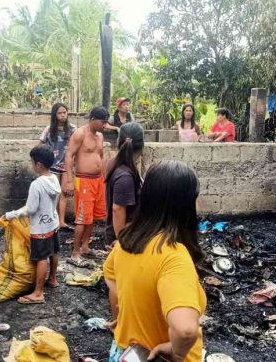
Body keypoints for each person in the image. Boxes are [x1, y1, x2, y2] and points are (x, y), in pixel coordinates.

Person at [103, 160, 206, 361]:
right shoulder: (173, 256)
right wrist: (176, 352)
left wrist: (124, 318)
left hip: (125, 352)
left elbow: (113, 283)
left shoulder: (127, 241)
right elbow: (185, 330)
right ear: (185, 204)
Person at [4, 145, 61, 304]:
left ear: (39, 164)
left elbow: (30, 209)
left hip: (41, 227)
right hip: (53, 222)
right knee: (54, 251)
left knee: (41, 257)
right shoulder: (54, 178)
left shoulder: (37, 184)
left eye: (32, 162)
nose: (31, 165)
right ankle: (53, 279)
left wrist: (11, 214)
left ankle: (38, 293)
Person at [63, 106, 108, 268]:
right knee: (82, 218)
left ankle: (85, 247)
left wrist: (105, 178)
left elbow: (101, 158)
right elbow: (68, 156)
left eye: (106, 122)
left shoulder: (100, 136)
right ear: (92, 119)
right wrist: (69, 179)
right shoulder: (80, 133)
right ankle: (75, 253)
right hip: (83, 181)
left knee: (93, 217)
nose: (104, 125)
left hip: (98, 181)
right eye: (102, 122)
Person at [104, 122, 144, 246]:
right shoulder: (124, 176)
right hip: (125, 236)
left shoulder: (119, 164)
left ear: (118, 142)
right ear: (142, 145)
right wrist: (121, 241)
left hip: (128, 233)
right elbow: (118, 209)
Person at [40, 103, 76, 230]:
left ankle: (61, 221)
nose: (62, 115)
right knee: (52, 193)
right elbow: (40, 145)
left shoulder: (72, 129)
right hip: (52, 166)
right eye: (59, 113)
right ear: (55, 115)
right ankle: (51, 220)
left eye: (64, 112)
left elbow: (77, 146)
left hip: (66, 166)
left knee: (64, 194)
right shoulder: (49, 129)